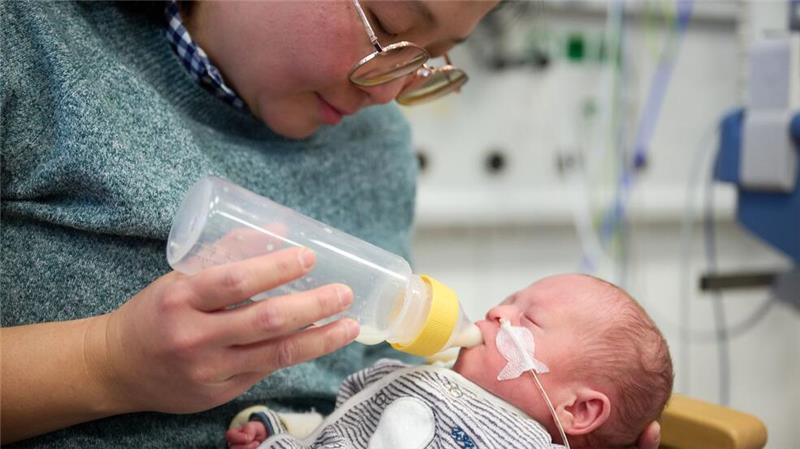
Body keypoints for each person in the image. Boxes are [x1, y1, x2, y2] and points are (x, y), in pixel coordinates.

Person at [0, 0, 661, 447]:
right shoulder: (30, 45)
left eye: (428, 56)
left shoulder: (376, 144)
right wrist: (107, 362)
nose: (388, 93)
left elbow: (362, 371)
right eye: (387, 24)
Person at [225, 274, 673, 449]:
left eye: (528, 319)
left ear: (577, 410)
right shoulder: (443, 385)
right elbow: (350, 422)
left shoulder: (488, 440)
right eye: (509, 298)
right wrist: (284, 428)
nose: (498, 312)